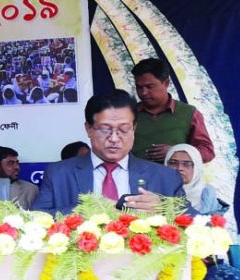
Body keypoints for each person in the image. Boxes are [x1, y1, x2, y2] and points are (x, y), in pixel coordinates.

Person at [31, 90, 184, 214]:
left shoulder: (166, 177)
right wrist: (81, 210)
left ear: (134, 128)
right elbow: (35, 220)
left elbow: (199, 222)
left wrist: (163, 208)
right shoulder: (59, 173)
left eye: (123, 130)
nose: (114, 138)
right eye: (105, 130)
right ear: (89, 129)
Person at [131, 58, 214, 163]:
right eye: (139, 87)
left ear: (166, 83)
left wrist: (175, 152)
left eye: (149, 87)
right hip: (135, 178)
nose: (143, 93)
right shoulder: (129, 114)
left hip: (175, 178)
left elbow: (207, 152)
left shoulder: (189, 114)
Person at [164, 144, 227, 215]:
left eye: (187, 164)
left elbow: (214, 222)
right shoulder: (154, 189)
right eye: (173, 163)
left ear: (197, 167)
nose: (179, 168)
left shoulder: (207, 193)